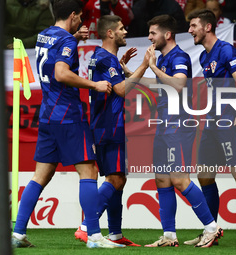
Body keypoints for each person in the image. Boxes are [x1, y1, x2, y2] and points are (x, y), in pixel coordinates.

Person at [11, 0, 126, 249]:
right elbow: (61, 73)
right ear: (72, 15)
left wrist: (72, 36)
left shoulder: (45, 35)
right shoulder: (67, 41)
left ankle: (18, 232)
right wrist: (93, 84)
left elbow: (56, 53)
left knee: (41, 175)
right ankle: (94, 236)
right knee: (89, 173)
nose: (82, 22)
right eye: (80, 18)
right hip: (68, 115)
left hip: (47, 115)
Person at [138, 14, 222, 248]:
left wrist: (152, 66)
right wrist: (132, 75)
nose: (149, 37)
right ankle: (169, 235)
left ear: (167, 34)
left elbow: (178, 84)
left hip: (179, 125)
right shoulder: (164, 58)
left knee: (179, 179)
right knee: (162, 179)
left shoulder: (180, 56)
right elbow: (160, 85)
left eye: (153, 33)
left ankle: (212, 228)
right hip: (163, 123)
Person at [187, 9, 236, 248]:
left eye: (193, 26)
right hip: (211, 124)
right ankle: (211, 230)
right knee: (205, 177)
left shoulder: (226, 50)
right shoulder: (202, 57)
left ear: (207, 27)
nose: (190, 30)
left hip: (230, 123)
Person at [74, 14, 149, 247]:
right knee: (116, 178)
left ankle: (115, 234)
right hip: (110, 126)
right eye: (121, 28)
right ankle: (87, 227)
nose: (125, 32)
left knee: (118, 178)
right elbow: (121, 90)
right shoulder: (106, 58)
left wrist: (121, 65)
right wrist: (145, 66)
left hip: (104, 125)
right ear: (110, 33)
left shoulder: (104, 57)